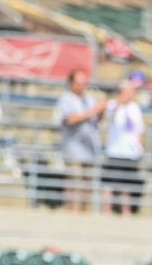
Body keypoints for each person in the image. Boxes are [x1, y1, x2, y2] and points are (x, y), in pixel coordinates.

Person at [53, 68, 104, 214]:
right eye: (80, 82)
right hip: (73, 147)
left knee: (87, 182)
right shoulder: (66, 99)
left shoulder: (89, 99)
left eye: (84, 82)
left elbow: (95, 121)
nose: (83, 85)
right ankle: (71, 211)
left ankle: (84, 212)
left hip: (90, 147)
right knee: (74, 179)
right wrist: (93, 111)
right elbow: (70, 119)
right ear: (71, 83)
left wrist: (101, 111)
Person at [102, 79, 145, 216]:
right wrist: (120, 101)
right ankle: (106, 210)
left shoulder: (134, 108)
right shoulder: (114, 105)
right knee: (109, 182)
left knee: (127, 183)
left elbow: (139, 130)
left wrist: (140, 147)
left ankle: (125, 210)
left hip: (131, 152)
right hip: (115, 150)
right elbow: (109, 119)